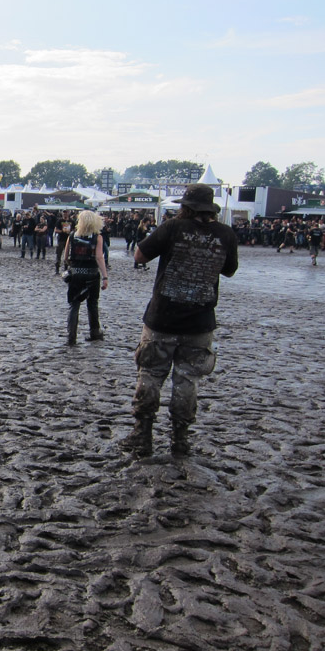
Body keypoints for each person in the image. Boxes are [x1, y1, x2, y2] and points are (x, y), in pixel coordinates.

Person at [121, 184, 239, 458]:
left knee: (150, 374)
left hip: (162, 317)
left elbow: (140, 255)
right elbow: (230, 270)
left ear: (185, 206)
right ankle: (180, 439)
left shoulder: (173, 227)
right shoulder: (226, 234)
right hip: (200, 320)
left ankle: (142, 435)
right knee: (187, 380)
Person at [62, 210, 108, 345]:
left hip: (76, 273)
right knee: (92, 303)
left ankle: (71, 337)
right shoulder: (97, 237)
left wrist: (73, 266)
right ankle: (94, 332)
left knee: (74, 304)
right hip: (92, 273)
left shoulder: (72, 236)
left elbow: (66, 257)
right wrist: (105, 276)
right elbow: (99, 257)